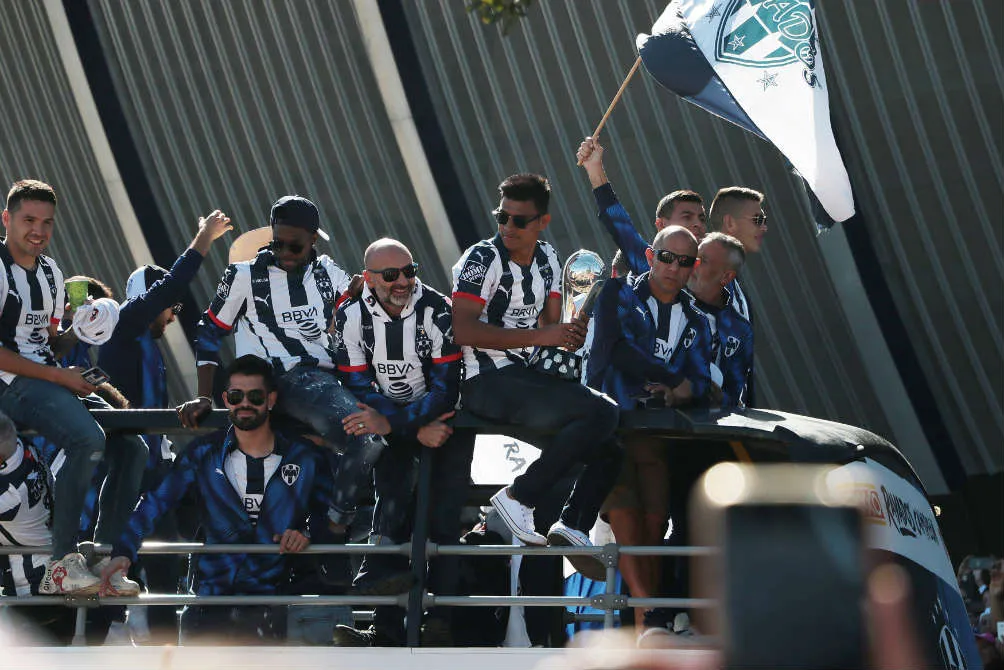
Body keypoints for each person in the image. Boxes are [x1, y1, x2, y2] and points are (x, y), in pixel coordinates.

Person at [451, 173, 621, 581]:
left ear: (543, 221)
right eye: (502, 217)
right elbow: (462, 329)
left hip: (527, 377)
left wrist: (569, 333)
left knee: (611, 449)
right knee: (602, 413)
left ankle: (571, 524)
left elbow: (551, 325)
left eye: (519, 220)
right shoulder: (481, 258)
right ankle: (518, 497)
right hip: (483, 380)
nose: (508, 227)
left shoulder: (547, 257)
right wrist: (542, 336)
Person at [179, 195, 375, 547]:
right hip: (287, 378)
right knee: (366, 436)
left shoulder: (327, 271)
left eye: (294, 245)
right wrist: (203, 396)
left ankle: (356, 526)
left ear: (313, 239)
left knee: (393, 435)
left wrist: (360, 295)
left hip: (331, 382)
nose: (284, 252)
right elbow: (208, 332)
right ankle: (337, 527)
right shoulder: (243, 275)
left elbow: (354, 312)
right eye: (277, 243)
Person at [101, 355, 334, 644]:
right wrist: (124, 551)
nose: (245, 404)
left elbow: (331, 515)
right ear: (226, 399)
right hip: (209, 607)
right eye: (236, 396)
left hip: (275, 607)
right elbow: (155, 502)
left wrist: (307, 534)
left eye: (255, 396)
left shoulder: (305, 457)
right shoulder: (203, 454)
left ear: (271, 400)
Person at [0, 179, 146, 595]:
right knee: (87, 439)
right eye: (29, 220)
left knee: (133, 446)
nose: (38, 231)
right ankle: (61, 563)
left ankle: (102, 558)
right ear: (7, 219)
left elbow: (47, 343)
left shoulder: (51, 272)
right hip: (11, 383)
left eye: (47, 222)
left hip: (47, 378)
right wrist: (62, 377)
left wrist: (83, 328)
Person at [98, 209, 232, 643]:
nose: (173, 315)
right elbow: (174, 283)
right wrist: (204, 237)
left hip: (152, 468)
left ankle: (164, 645)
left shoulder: (146, 345)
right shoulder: (125, 325)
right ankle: (107, 637)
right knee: (117, 559)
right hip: (125, 467)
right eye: (169, 308)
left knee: (166, 558)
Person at [330, 238, 472, 647]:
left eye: (410, 271)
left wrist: (397, 424)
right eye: (391, 275)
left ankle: (441, 622)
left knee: (443, 518)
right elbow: (356, 385)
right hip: (397, 422)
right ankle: (385, 630)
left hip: (446, 423)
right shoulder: (350, 314)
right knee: (391, 496)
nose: (403, 281)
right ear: (369, 278)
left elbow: (446, 389)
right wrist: (401, 427)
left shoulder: (438, 310)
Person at [587, 225, 713, 630]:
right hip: (609, 424)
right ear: (649, 256)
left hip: (655, 435)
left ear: (694, 266)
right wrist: (672, 378)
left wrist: (678, 393)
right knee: (626, 518)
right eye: (666, 257)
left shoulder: (698, 319)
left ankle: (650, 620)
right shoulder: (618, 293)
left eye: (684, 261)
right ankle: (649, 618)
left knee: (655, 523)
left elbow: (699, 381)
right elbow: (617, 351)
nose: (673, 267)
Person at [707, 186, 767, 405]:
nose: (764, 227)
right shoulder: (702, 276)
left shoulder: (735, 285)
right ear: (730, 223)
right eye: (757, 220)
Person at [686, 233, 754, 408]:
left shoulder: (740, 331)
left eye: (704, 260)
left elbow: (734, 395)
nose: (694, 263)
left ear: (726, 277)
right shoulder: (669, 292)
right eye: (694, 256)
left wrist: (716, 396)